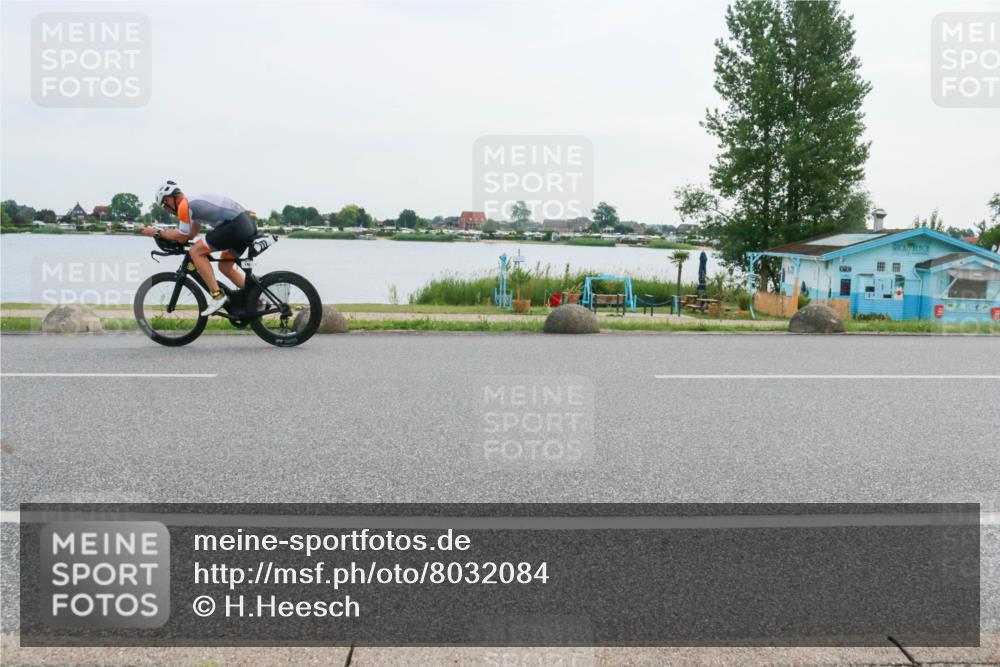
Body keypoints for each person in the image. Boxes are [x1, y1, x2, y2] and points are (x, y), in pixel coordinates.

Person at [143, 180, 258, 316]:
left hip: (236, 226)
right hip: (244, 224)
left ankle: (217, 297)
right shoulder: (191, 205)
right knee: (225, 267)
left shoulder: (184, 206)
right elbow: (190, 235)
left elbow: (182, 236)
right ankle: (258, 297)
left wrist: (156, 232)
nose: (166, 211)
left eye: (164, 206)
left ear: (169, 199)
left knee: (196, 251)